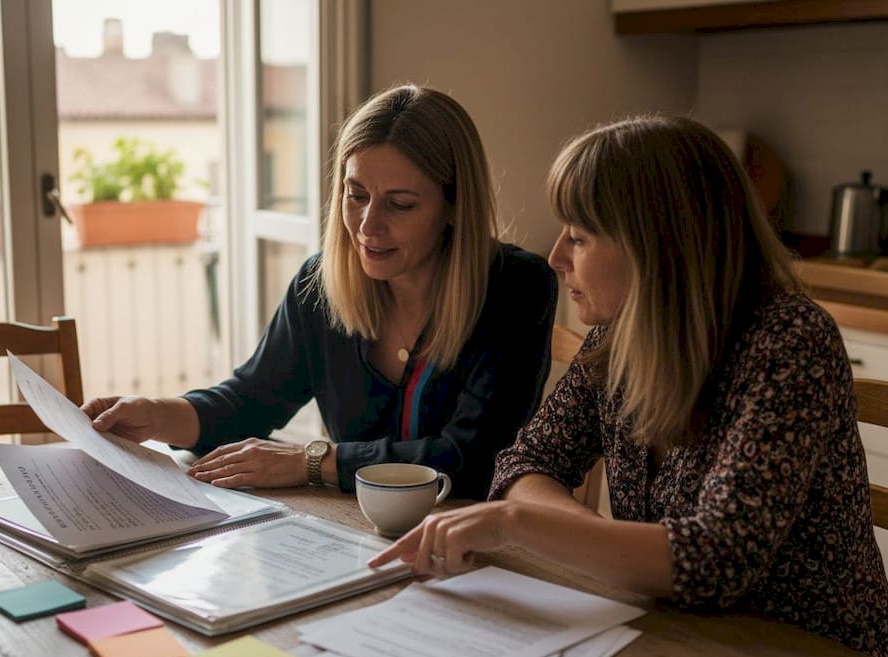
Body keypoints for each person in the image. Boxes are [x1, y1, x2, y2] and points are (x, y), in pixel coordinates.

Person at [370, 114, 888, 657]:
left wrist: (519, 525)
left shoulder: (790, 342)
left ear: (656, 245)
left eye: (579, 237)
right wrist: (598, 544)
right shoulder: (616, 338)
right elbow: (525, 463)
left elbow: (716, 560)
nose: (556, 257)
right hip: (680, 645)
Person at [83, 84, 557, 500]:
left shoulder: (516, 288)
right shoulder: (322, 283)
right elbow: (252, 400)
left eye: (400, 204)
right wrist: (157, 415)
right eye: (356, 195)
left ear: (453, 206)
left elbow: (474, 459)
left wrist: (310, 462)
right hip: (353, 534)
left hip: (470, 545)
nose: (368, 226)